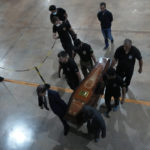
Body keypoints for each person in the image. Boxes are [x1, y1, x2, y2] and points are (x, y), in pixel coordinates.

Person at [111, 39, 143, 104]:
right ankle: (118, 91)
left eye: (126, 47)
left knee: (125, 84)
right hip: (120, 70)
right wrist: (111, 67)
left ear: (130, 45)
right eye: (124, 46)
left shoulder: (135, 50)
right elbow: (115, 59)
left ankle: (124, 92)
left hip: (129, 71)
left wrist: (140, 68)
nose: (125, 48)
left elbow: (140, 60)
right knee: (117, 82)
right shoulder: (119, 49)